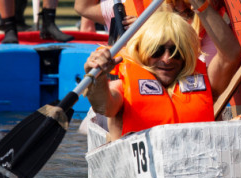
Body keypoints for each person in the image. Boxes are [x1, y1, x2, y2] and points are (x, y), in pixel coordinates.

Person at [83, 10, 229, 141]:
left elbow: (230, 54)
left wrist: (200, 2)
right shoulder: (121, 88)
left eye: (176, 51)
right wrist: (96, 76)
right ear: (142, 51)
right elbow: (103, 106)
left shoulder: (207, 82)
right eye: (157, 51)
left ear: (187, 55)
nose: (167, 59)